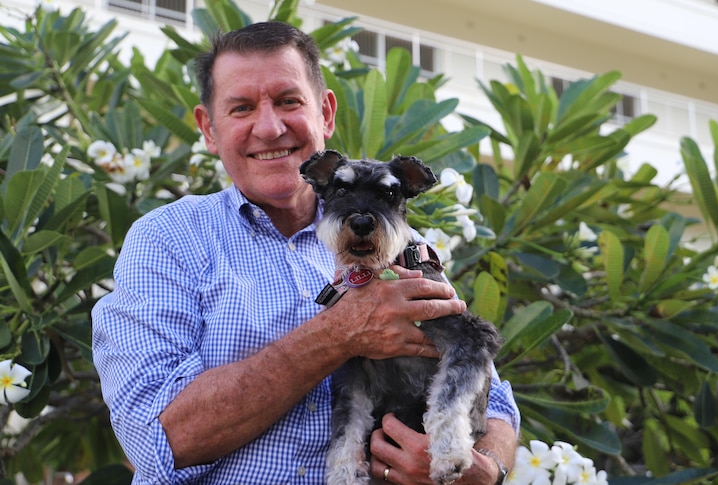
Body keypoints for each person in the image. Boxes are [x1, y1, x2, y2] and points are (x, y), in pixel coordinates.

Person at [91, 20, 519, 484]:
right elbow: (154, 437)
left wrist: (483, 470)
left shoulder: (406, 248)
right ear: (208, 129)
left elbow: (493, 398)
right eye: (241, 108)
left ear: (326, 113)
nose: (271, 128)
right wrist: (339, 333)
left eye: (288, 101)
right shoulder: (166, 239)